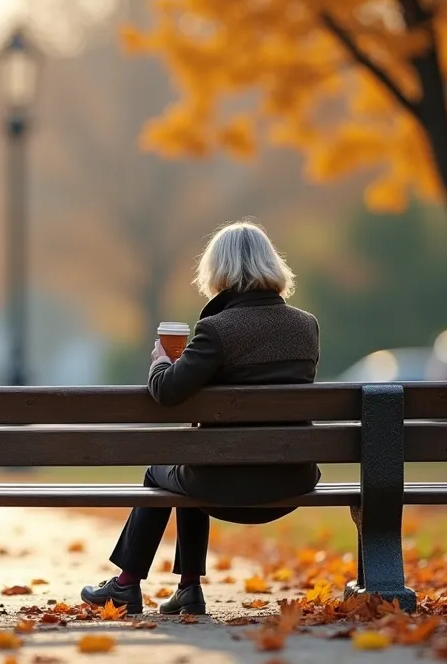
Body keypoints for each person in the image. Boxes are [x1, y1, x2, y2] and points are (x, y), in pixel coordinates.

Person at [80, 222, 321, 616]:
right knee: (193, 458)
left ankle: (129, 584)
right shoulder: (306, 326)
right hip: (292, 478)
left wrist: (160, 363)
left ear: (220, 270)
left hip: (225, 486)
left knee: (173, 467)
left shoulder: (216, 330)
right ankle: (186, 589)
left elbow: (168, 392)